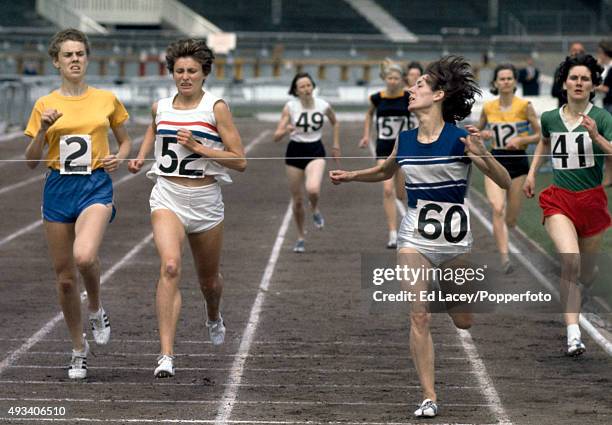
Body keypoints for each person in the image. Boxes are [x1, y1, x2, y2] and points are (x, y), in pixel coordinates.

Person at [331, 56, 511, 418]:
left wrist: (483, 158)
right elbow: (385, 170)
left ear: (439, 94)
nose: (411, 90)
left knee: (464, 320)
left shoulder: (462, 137)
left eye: (419, 86)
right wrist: (352, 175)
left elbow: (504, 181)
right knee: (419, 315)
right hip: (414, 239)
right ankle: (429, 396)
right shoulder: (406, 139)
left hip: (456, 244)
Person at [128, 38, 246, 377]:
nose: (185, 76)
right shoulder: (160, 106)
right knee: (169, 266)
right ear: (171, 73)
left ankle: (213, 314)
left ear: (204, 73)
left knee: (208, 282)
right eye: (179, 71)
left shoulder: (216, 107)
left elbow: (240, 161)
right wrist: (140, 155)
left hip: (206, 201)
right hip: (167, 196)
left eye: (192, 71)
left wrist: (199, 147)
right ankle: (166, 355)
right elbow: (154, 128)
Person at [24, 28, 132, 379]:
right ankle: (77, 349)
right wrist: (42, 129)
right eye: (67, 55)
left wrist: (119, 157)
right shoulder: (45, 104)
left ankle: (97, 307)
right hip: (58, 189)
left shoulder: (106, 99)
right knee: (66, 279)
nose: (74, 59)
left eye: (80, 54)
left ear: (87, 58)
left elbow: (126, 142)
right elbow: (29, 162)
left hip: (95, 186)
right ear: (56, 61)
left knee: (85, 255)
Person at [524, 54, 612, 356]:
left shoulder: (601, 118)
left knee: (585, 271)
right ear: (564, 82)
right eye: (573, 78)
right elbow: (544, 142)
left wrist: (596, 136)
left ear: (593, 85)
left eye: (585, 78)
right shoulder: (549, 117)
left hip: (592, 202)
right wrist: (533, 174)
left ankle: (584, 284)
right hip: (559, 199)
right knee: (570, 261)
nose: (578, 83)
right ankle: (573, 333)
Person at [478, 64, 541, 273]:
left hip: (518, 163)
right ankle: (505, 258)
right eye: (501, 78)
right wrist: (483, 135)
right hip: (495, 161)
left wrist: (522, 139)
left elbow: (540, 135)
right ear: (495, 82)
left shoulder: (525, 106)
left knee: (511, 218)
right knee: (497, 208)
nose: (505, 82)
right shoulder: (488, 107)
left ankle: (507, 231)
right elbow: (475, 132)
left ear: (515, 82)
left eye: (509, 78)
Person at [273, 72, 340, 253]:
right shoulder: (290, 107)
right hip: (295, 151)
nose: (306, 89)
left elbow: (335, 122)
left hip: (316, 150)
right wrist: (285, 129)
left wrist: (335, 144)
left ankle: (315, 208)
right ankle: (301, 236)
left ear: (313, 86)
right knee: (297, 201)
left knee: (312, 189)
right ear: (296, 90)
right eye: (302, 87)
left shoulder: (323, 105)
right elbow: (276, 136)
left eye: (308, 85)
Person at [359, 61, 411, 248]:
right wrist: (366, 135)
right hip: (383, 147)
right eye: (390, 77)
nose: (393, 81)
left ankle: (408, 224)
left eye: (396, 78)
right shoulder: (376, 98)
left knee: (400, 194)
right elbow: (368, 115)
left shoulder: (408, 97)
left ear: (401, 80)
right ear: (385, 79)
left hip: (404, 147)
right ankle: (392, 233)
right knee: (387, 189)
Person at [552, 42, 585, 108]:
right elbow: (554, 91)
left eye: (580, 51)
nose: (577, 53)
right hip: (565, 108)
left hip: (584, 110)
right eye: (575, 50)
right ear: (570, 52)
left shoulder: (590, 70)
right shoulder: (561, 70)